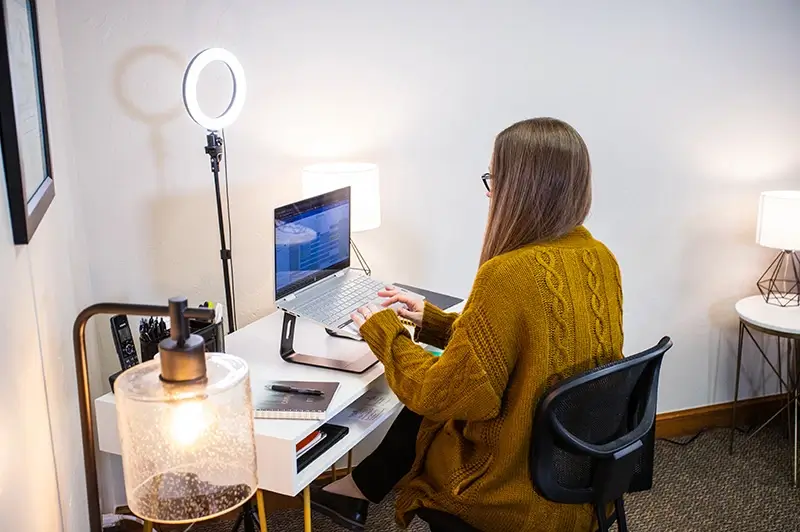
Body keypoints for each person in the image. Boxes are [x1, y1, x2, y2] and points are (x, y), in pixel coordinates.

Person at [310, 117, 624, 532]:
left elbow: (439, 396)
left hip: (513, 486)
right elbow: (530, 345)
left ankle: (359, 489)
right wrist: (433, 321)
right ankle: (360, 489)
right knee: (437, 382)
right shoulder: (598, 257)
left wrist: (386, 334)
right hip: (578, 466)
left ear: (519, 189)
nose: (489, 191)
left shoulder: (508, 274)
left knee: (429, 403)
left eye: (494, 178)